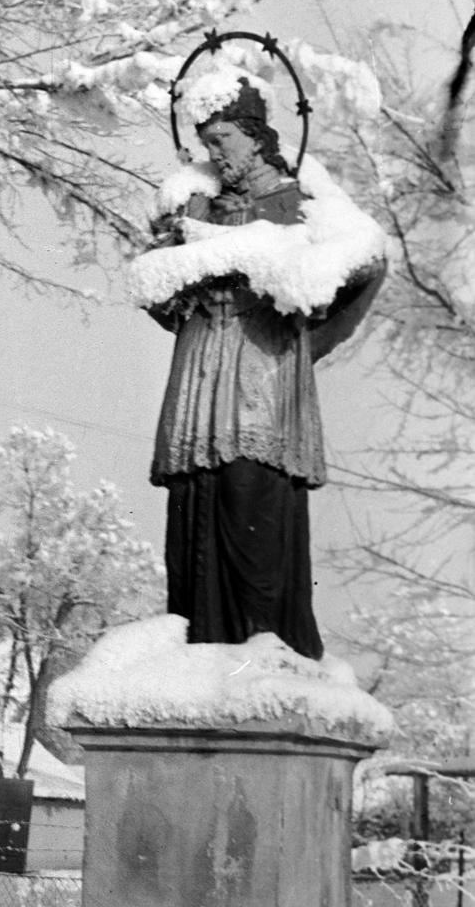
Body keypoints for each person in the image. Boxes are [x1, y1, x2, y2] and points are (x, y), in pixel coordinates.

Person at [143, 77, 384, 661]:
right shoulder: (197, 205)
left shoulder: (304, 199)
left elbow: (366, 258)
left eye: (223, 137)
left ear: (254, 136)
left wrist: (311, 326)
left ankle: (267, 642)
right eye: (205, 141)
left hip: (264, 369)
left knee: (251, 494)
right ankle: (199, 646)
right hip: (202, 369)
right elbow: (154, 289)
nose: (214, 152)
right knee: (194, 500)